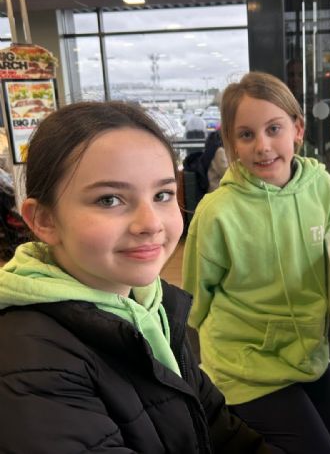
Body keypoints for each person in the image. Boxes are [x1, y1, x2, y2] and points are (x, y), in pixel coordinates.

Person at [0, 101, 283, 453]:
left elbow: (214, 424)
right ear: (44, 219)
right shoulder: (30, 364)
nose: (150, 223)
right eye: (109, 200)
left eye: (162, 195)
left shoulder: (149, 304)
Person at [182, 72, 330, 454]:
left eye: (273, 129)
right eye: (246, 135)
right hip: (245, 368)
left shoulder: (321, 187)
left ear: (298, 129)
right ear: (231, 143)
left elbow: (326, 262)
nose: (262, 146)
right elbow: (195, 300)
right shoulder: (216, 213)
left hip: (307, 355)